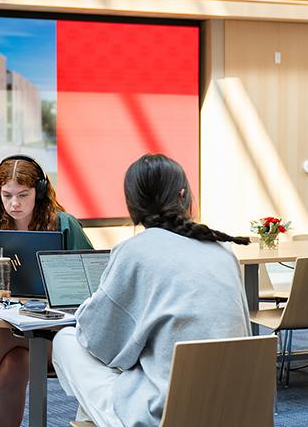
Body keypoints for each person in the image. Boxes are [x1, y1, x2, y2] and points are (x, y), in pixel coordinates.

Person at [52, 154, 251, 427]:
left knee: (66, 340)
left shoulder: (134, 251)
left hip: (164, 415)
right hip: (236, 408)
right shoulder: (222, 250)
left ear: (131, 205)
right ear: (184, 195)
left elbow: (97, 341)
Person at [0, 155, 92, 427]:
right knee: (13, 363)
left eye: (23, 195)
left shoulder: (64, 224)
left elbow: (94, 284)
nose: (14, 203)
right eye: (7, 195)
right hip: (22, 338)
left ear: (41, 191)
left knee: (0, 334)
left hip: (61, 336)